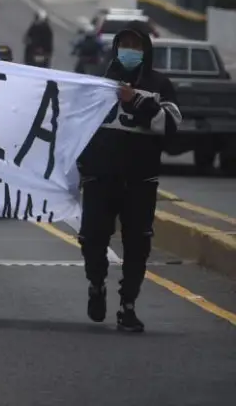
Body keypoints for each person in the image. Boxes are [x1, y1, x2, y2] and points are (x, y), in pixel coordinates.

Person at [77, 21, 180, 332]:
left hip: (140, 182)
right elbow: (78, 128)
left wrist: (135, 100)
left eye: (136, 46)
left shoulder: (160, 85)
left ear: (145, 50)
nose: (130, 51)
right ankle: (96, 286)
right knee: (92, 240)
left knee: (137, 246)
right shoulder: (98, 84)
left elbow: (171, 126)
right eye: (125, 45)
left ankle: (128, 306)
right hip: (100, 179)